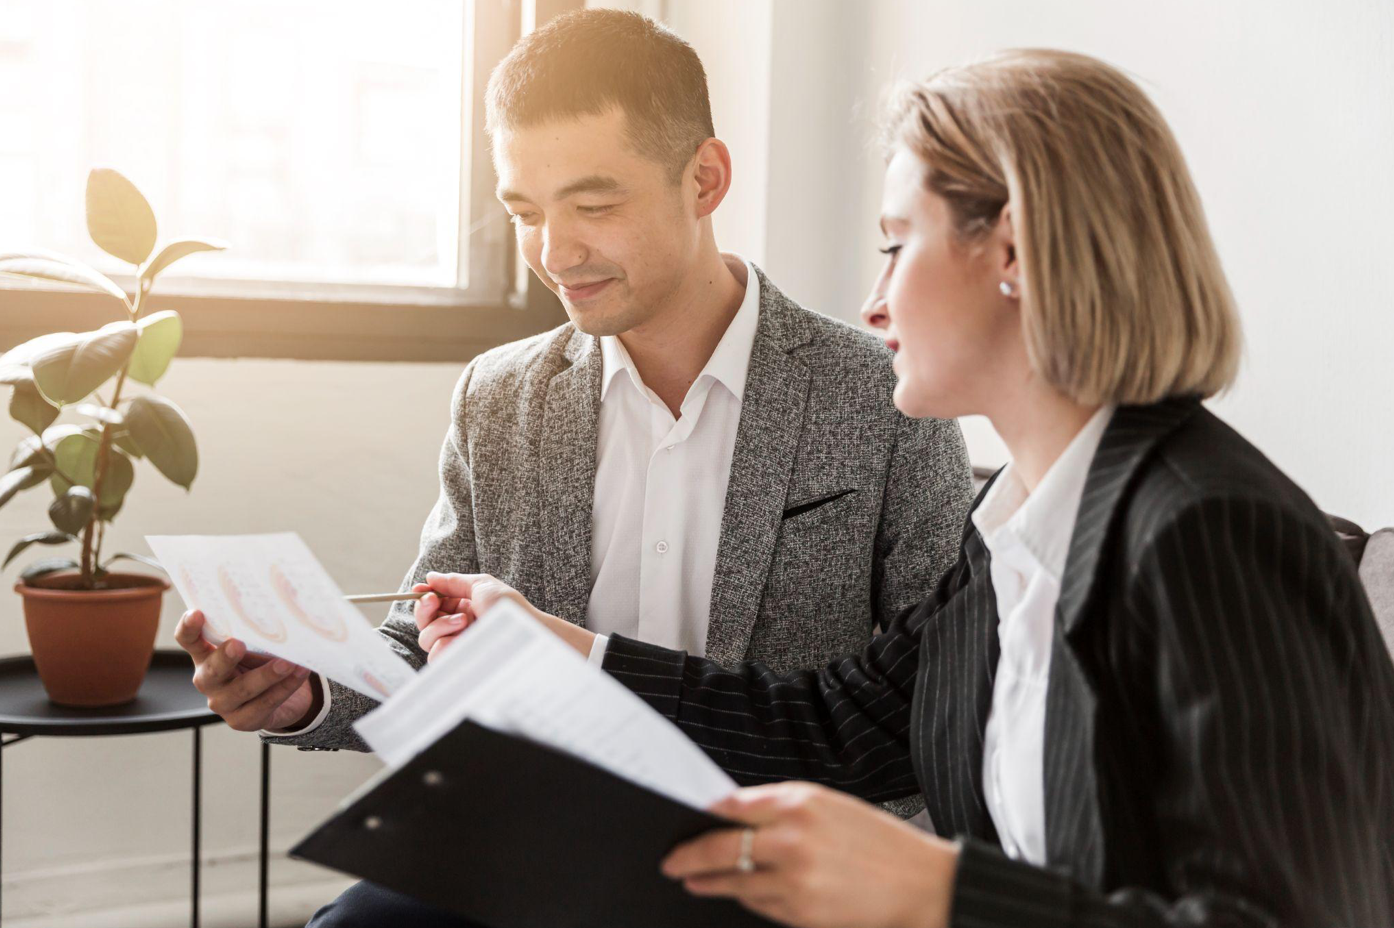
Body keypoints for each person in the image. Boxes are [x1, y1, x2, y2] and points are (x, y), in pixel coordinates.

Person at [421, 49, 1394, 928]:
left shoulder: (1208, 529)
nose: (871, 299)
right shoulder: (1014, 528)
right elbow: (836, 724)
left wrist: (933, 890)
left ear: (1009, 252)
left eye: (896, 244)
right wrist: (569, 652)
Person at [173, 9, 973, 926]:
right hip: (539, 843)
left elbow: (927, 710)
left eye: (594, 206)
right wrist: (307, 689)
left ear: (704, 179)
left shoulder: (883, 393)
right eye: (525, 212)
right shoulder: (499, 397)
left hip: (776, 862)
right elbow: (423, 640)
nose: (555, 253)